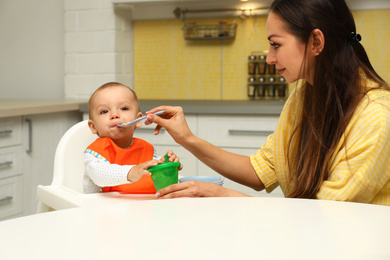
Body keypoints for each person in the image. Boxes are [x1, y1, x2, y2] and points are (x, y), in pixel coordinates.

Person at [145, 0, 390, 205]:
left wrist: (223, 195)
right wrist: (186, 138)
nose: (270, 58)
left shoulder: (376, 118)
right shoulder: (304, 94)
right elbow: (260, 171)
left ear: (316, 42)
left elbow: (321, 219)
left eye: (276, 44)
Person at [84, 82, 181, 194]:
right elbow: (99, 175)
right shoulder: (94, 154)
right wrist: (131, 172)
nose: (115, 114)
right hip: (104, 209)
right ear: (93, 126)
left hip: (145, 208)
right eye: (104, 111)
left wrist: (168, 167)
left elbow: (159, 177)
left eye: (124, 108)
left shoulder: (147, 149)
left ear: (138, 120)